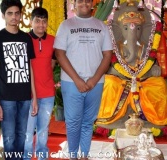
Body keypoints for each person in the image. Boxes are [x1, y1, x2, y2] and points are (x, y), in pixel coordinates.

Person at [53, 0, 113, 159]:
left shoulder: (102, 26)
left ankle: (84, 155)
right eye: (80, 0)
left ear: (92, 4)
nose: (84, 3)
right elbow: (59, 53)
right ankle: (73, 155)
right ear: (74, 4)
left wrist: (93, 80)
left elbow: (107, 55)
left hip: (96, 83)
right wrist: (77, 80)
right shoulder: (66, 25)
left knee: (88, 122)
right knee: (73, 124)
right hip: (71, 83)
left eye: (87, 0)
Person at [0, 0, 38, 159]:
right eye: (10, 13)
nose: (14, 17)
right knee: (9, 137)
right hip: (6, 98)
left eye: (17, 13)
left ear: (21, 15)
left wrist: (34, 98)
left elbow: (30, 69)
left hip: (25, 97)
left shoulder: (26, 38)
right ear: (3, 15)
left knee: (22, 135)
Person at [23, 7, 56, 160]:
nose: (41, 25)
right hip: (27, 94)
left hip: (48, 93)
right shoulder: (24, 39)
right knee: (28, 131)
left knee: (43, 130)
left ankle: (43, 157)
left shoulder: (53, 40)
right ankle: (26, 157)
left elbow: (53, 63)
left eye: (44, 21)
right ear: (31, 21)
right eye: (37, 21)